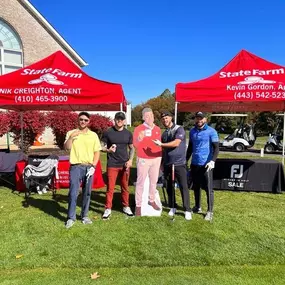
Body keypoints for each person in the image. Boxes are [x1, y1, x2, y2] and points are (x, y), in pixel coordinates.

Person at [64, 111, 101, 228]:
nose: (83, 122)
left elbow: (97, 152)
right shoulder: (71, 133)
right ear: (78, 120)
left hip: (89, 167)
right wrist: (70, 138)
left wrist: (94, 166)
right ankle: (71, 217)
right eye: (81, 119)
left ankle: (84, 216)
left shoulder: (93, 135)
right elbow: (66, 148)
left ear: (89, 122)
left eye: (85, 120)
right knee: (73, 193)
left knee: (87, 193)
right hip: (75, 166)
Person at [153, 111, 192, 220]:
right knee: (169, 186)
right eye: (163, 119)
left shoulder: (179, 129)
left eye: (166, 118)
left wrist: (161, 144)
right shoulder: (164, 133)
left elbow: (176, 143)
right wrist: (161, 163)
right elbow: (163, 150)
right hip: (167, 163)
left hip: (179, 163)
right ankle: (172, 206)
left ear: (171, 118)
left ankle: (187, 209)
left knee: (183, 187)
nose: (165, 120)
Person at [100, 111, 134, 219]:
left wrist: (130, 160)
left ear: (124, 121)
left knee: (125, 187)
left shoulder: (128, 133)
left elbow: (132, 148)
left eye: (121, 119)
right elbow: (101, 147)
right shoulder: (108, 132)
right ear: (114, 120)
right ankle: (108, 208)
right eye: (117, 119)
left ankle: (126, 206)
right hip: (112, 164)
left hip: (124, 164)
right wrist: (107, 150)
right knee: (110, 188)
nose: (119, 121)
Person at [186, 111, 219, 222]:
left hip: (206, 165)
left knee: (208, 189)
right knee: (196, 187)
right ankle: (197, 206)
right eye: (197, 118)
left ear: (205, 119)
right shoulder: (192, 131)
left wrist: (212, 161)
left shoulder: (211, 131)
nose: (199, 120)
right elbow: (190, 147)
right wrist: (185, 160)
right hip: (195, 163)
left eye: (201, 118)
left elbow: (216, 148)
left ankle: (210, 211)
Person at [133, 107, 162, 216]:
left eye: (151, 115)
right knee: (140, 182)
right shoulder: (138, 129)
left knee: (153, 181)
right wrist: (140, 138)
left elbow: (160, 144)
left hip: (156, 159)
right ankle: (138, 205)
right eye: (147, 116)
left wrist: (160, 158)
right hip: (143, 159)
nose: (150, 118)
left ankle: (151, 200)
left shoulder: (158, 129)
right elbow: (135, 145)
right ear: (143, 117)